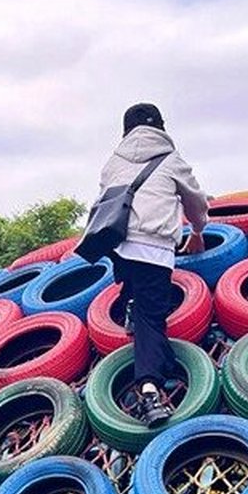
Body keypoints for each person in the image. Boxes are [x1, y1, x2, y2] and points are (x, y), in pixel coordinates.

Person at [95, 102, 209, 427]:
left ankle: (131, 307)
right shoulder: (171, 160)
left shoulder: (112, 162)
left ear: (125, 131)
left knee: (133, 285)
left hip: (115, 244)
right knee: (151, 317)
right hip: (151, 248)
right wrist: (198, 231)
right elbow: (196, 203)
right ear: (161, 126)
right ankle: (149, 390)